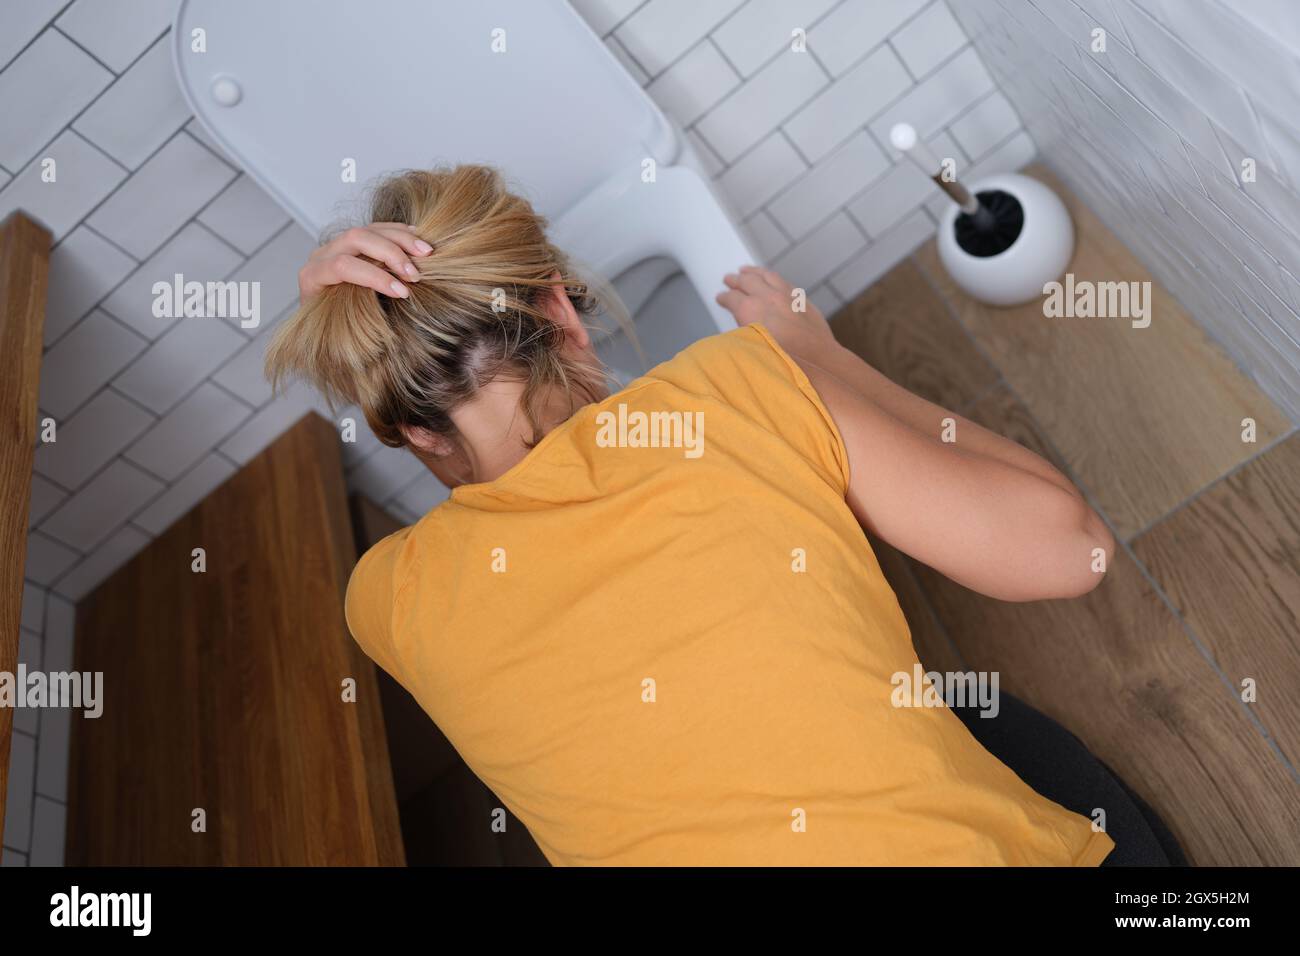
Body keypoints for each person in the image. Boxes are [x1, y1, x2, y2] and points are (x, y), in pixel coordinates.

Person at [267, 163, 1180, 866]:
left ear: (407, 431)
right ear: (559, 309)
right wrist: (810, 356)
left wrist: (334, 312)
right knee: (968, 719)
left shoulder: (386, 602)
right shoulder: (725, 388)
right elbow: (1072, 552)